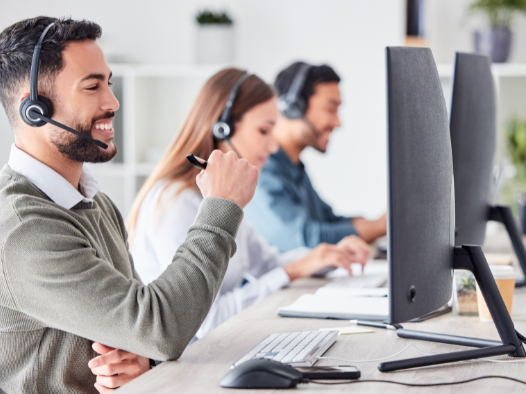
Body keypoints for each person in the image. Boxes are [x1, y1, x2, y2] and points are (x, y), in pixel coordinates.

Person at [0, 16, 261, 394]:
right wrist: (221, 205)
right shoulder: (23, 229)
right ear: (34, 108)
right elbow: (161, 327)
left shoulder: (92, 202)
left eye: (109, 83)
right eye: (92, 86)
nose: (113, 102)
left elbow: (143, 330)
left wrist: (143, 361)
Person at [126, 69, 371, 342]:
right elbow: (206, 321)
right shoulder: (177, 202)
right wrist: (291, 271)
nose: (273, 146)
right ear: (223, 127)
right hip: (186, 360)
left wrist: (327, 256)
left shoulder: (225, 195)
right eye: (264, 130)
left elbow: (267, 263)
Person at [245, 62, 387, 252]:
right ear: (293, 106)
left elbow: (327, 220)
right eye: (330, 109)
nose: (337, 123)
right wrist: (381, 226)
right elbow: (306, 239)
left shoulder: (293, 168)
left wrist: (377, 222)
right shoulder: (262, 170)